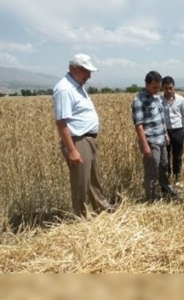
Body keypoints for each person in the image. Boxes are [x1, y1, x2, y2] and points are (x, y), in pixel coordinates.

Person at [52, 53, 114, 218]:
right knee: (81, 181)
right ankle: (81, 216)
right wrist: (72, 150)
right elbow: (62, 123)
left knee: (94, 178)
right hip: (77, 140)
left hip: (88, 139)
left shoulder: (77, 86)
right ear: (73, 68)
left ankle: (103, 210)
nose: (89, 75)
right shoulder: (64, 89)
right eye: (85, 71)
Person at [132, 71, 179, 202]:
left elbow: (161, 118)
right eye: (154, 87)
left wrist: (166, 134)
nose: (157, 90)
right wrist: (145, 145)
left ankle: (166, 191)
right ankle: (151, 197)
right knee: (152, 170)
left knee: (163, 166)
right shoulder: (139, 100)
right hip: (151, 140)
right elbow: (139, 125)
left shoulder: (157, 98)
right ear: (146, 84)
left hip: (161, 139)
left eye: (158, 87)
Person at [161, 76, 184, 185]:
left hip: (178, 131)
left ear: (174, 87)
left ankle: (177, 179)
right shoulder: (159, 100)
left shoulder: (181, 100)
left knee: (177, 156)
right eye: (166, 88)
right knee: (165, 157)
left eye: (170, 88)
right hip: (164, 132)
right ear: (162, 88)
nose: (168, 91)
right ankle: (167, 180)